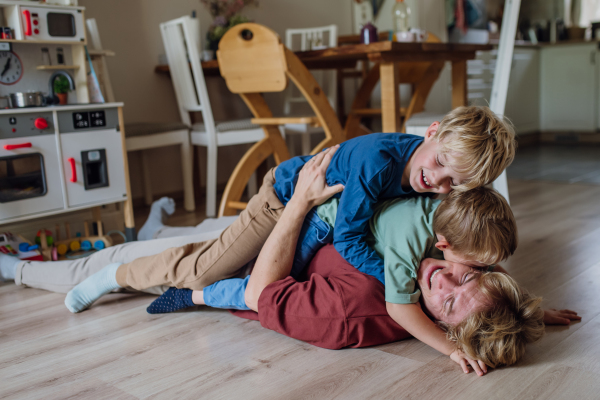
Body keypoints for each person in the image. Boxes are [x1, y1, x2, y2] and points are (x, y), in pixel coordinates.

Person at [61, 106, 517, 315]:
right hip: (283, 199)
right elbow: (349, 239)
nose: (436, 183)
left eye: (454, 182)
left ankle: (162, 242)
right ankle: (113, 275)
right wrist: (401, 283)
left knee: (235, 267)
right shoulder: (377, 163)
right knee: (204, 273)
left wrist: (512, 294)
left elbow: (463, 232)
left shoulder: (432, 180)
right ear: (431, 130)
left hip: (316, 214)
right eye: (438, 163)